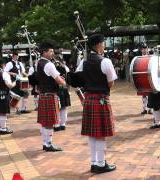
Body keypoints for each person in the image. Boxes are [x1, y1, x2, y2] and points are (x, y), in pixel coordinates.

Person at [76, 34, 117, 174]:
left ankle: (94, 162)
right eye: (103, 43)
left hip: (89, 99)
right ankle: (101, 163)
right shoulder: (105, 61)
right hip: (100, 99)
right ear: (98, 44)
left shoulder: (84, 62)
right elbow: (111, 83)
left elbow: (77, 79)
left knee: (92, 133)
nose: (104, 46)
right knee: (101, 133)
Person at [36, 42, 66, 152]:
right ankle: (48, 144)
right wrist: (64, 83)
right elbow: (58, 79)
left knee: (45, 121)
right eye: (50, 51)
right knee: (49, 122)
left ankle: (45, 143)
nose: (52, 53)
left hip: (43, 95)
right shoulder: (49, 64)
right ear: (44, 52)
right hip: (50, 95)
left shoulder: (39, 62)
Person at [0, 58, 16, 135]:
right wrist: (15, 82)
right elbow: (10, 85)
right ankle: (3, 129)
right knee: (3, 112)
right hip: (3, 94)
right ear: (3, 65)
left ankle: (1, 127)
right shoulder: (4, 73)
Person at [54, 58, 71, 131]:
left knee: (58, 107)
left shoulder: (54, 68)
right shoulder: (65, 68)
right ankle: (62, 124)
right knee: (63, 107)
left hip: (57, 89)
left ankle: (58, 124)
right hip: (64, 88)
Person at [137, 43, 152, 115]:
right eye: (143, 48)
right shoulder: (138, 58)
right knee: (143, 95)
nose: (144, 50)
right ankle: (144, 108)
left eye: (146, 48)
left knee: (150, 94)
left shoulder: (151, 57)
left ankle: (150, 109)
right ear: (141, 50)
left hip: (149, 78)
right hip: (142, 77)